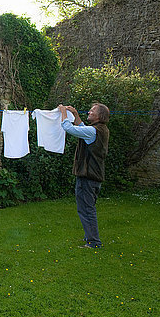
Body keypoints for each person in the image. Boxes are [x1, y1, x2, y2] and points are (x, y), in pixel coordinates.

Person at [58, 103, 110, 249]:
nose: (89, 111)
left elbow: (69, 128)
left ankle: (94, 242)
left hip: (88, 177)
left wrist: (63, 113)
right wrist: (75, 115)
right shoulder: (99, 130)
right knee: (87, 208)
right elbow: (82, 129)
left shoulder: (94, 131)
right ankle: (90, 238)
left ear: (99, 116)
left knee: (87, 209)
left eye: (92, 111)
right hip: (92, 176)